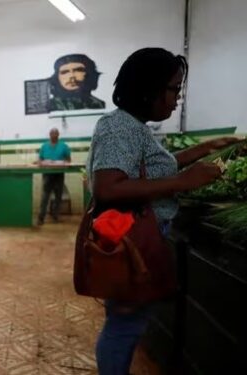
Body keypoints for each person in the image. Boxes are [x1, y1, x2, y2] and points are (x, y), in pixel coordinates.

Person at [86, 47, 238, 375]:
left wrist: (205, 149)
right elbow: (108, 187)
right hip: (130, 241)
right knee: (124, 326)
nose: (177, 98)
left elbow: (152, 169)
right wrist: (183, 182)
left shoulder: (134, 125)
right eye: (174, 89)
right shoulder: (119, 127)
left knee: (128, 321)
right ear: (148, 89)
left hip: (141, 237)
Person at [37, 127, 71, 225]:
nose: (54, 135)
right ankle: (41, 217)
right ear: (49, 135)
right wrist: (43, 162)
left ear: (58, 135)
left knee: (58, 196)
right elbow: (40, 160)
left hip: (59, 175)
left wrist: (62, 162)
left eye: (56, 134)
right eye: (52, 134)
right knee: (45, 197)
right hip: (47, 175)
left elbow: (68, 160)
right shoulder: (44, 146)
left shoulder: (64, 146)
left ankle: (55, 216)